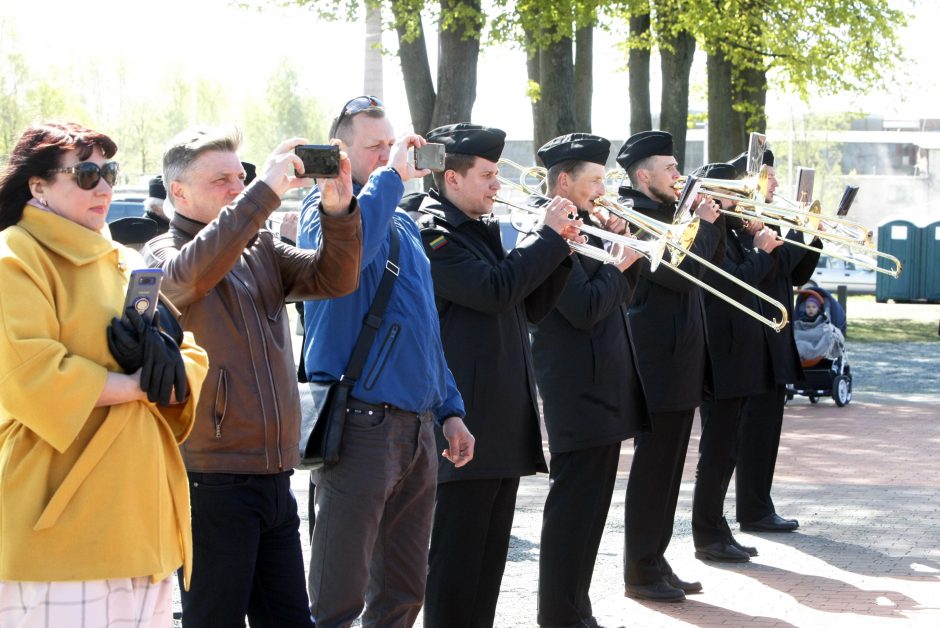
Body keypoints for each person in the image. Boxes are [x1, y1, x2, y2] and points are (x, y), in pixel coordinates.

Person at [143, 126, 363, 628]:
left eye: (241, 176)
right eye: (221, 179)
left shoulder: (257, 246)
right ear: (178, 191)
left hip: (273, 473)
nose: (237, 186)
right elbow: (190, 277)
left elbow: (335, 278)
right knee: (214, 619)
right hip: (210, 480)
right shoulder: (160, 253)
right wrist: (264, 193)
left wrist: (337, 211)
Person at [0, 121, 208, 626]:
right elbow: (30, 370)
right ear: (38, 185)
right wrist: (140, 386)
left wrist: (172, 366)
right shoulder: (15, 255)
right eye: (87, 174)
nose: (106, 187)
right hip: (60, 527)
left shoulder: (125, 258)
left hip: (143, 524)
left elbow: (192, 353)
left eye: (109, 172)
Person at [298, 97, 475, 628]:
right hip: (360, 426)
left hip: (417, 429)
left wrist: (449, 409)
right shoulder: (322, 209)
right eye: (374, 146)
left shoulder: (399, 222)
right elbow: (346, 257)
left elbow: (424, 331)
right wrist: (390, 177)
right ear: (340, 153)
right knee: (337, 598)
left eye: (391, 144)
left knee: (402, 592)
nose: (388, 154)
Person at [415, 124, 581, 628]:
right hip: (463, 420)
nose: (496, 185)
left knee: (486, 568)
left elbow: (525, 306)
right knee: (454, 568)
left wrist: (561, 253)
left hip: (500, 419)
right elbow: (491, 290)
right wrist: (546, 241)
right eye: (487, 175)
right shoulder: (432, 230)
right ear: (451, 178)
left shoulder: (479, 228)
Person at [528, 133, 647, 627]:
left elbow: (618, 298)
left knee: (592, 510)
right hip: (575, 388)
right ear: (563, 181)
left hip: (602, 385)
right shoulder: (549, 230)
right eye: (595, 180)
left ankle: (577, 609)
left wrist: (622, 254)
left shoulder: (585, 223)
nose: (604, 188)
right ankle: (559, 613)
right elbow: (582, 308)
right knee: (573, 510)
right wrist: (621, 262)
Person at [616, 130, 721, 602]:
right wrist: (704, 224)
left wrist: (706, 224)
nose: (679, 176)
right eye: (671, 169)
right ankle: (639, 569)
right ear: (643, 176)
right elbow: (683, 277)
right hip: (657, 359)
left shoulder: (669, 215)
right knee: (654, 468)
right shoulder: (636, 215)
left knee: (671, 467)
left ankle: (655, 559)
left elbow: (707, 270)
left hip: (680, 357)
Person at [689, 162, 783, 564]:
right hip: (721, 355)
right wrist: (761, 253)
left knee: (727, 449)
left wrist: (760, 242)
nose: (742, 199)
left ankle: (716, 526)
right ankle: (707, 532)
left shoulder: (732, 230)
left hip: (741, 354)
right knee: (718, 448)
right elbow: (731, 284)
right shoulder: (707, 231)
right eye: (735, 192)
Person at [735, 150, 822, 533]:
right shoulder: (741, 223)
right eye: (769, 177)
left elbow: (797, 272)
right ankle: (752, 510)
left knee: (768, 428)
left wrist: (811, 230)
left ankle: (759, 505)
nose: (776, 184)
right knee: (753, 430)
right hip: (753, 339)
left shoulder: (768, 220)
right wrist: (790, 233)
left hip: (775, 335)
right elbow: (772, 264)